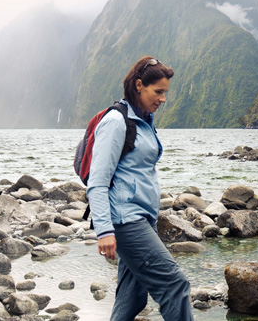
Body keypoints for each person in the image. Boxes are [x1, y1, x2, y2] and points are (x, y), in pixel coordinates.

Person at [87, 56, 193, 321]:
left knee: (131, 300)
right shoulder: (116, 121)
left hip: (142, 218)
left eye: (165, 92)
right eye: (158, 92)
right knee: (175, 285)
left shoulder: (143, 119)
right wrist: (104, 231)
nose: (163, 99)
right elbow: (97, 182)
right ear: (138, 85)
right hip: (125, 221)